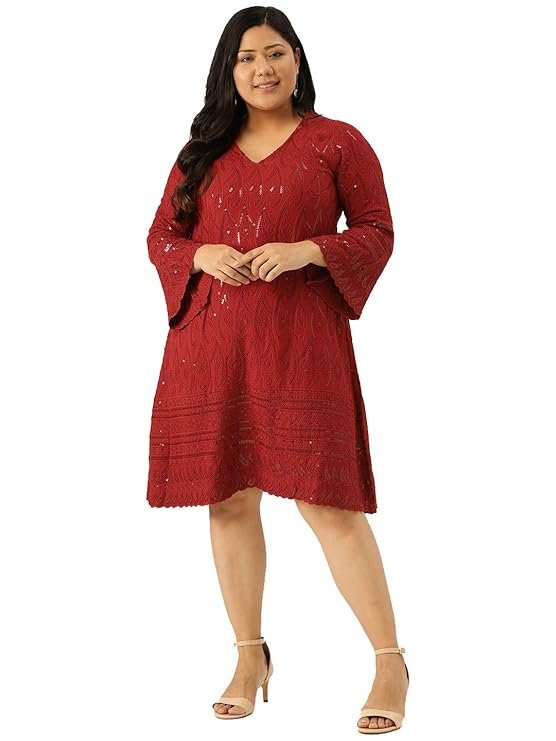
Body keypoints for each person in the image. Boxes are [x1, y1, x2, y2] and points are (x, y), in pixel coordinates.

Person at [145, 6, 409, 735]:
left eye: (275, 53)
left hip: (301, 345)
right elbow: (162, 235)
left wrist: (310, 249)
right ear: (228, 71)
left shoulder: (338, 142)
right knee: (229, 500)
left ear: (297, 59)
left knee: (329, 505)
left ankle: (390, 660)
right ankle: (248, 655)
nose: (262, 68)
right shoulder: (201, 150)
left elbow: (379, 231)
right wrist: (199, 254)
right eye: (246, 57)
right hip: (212, 347)